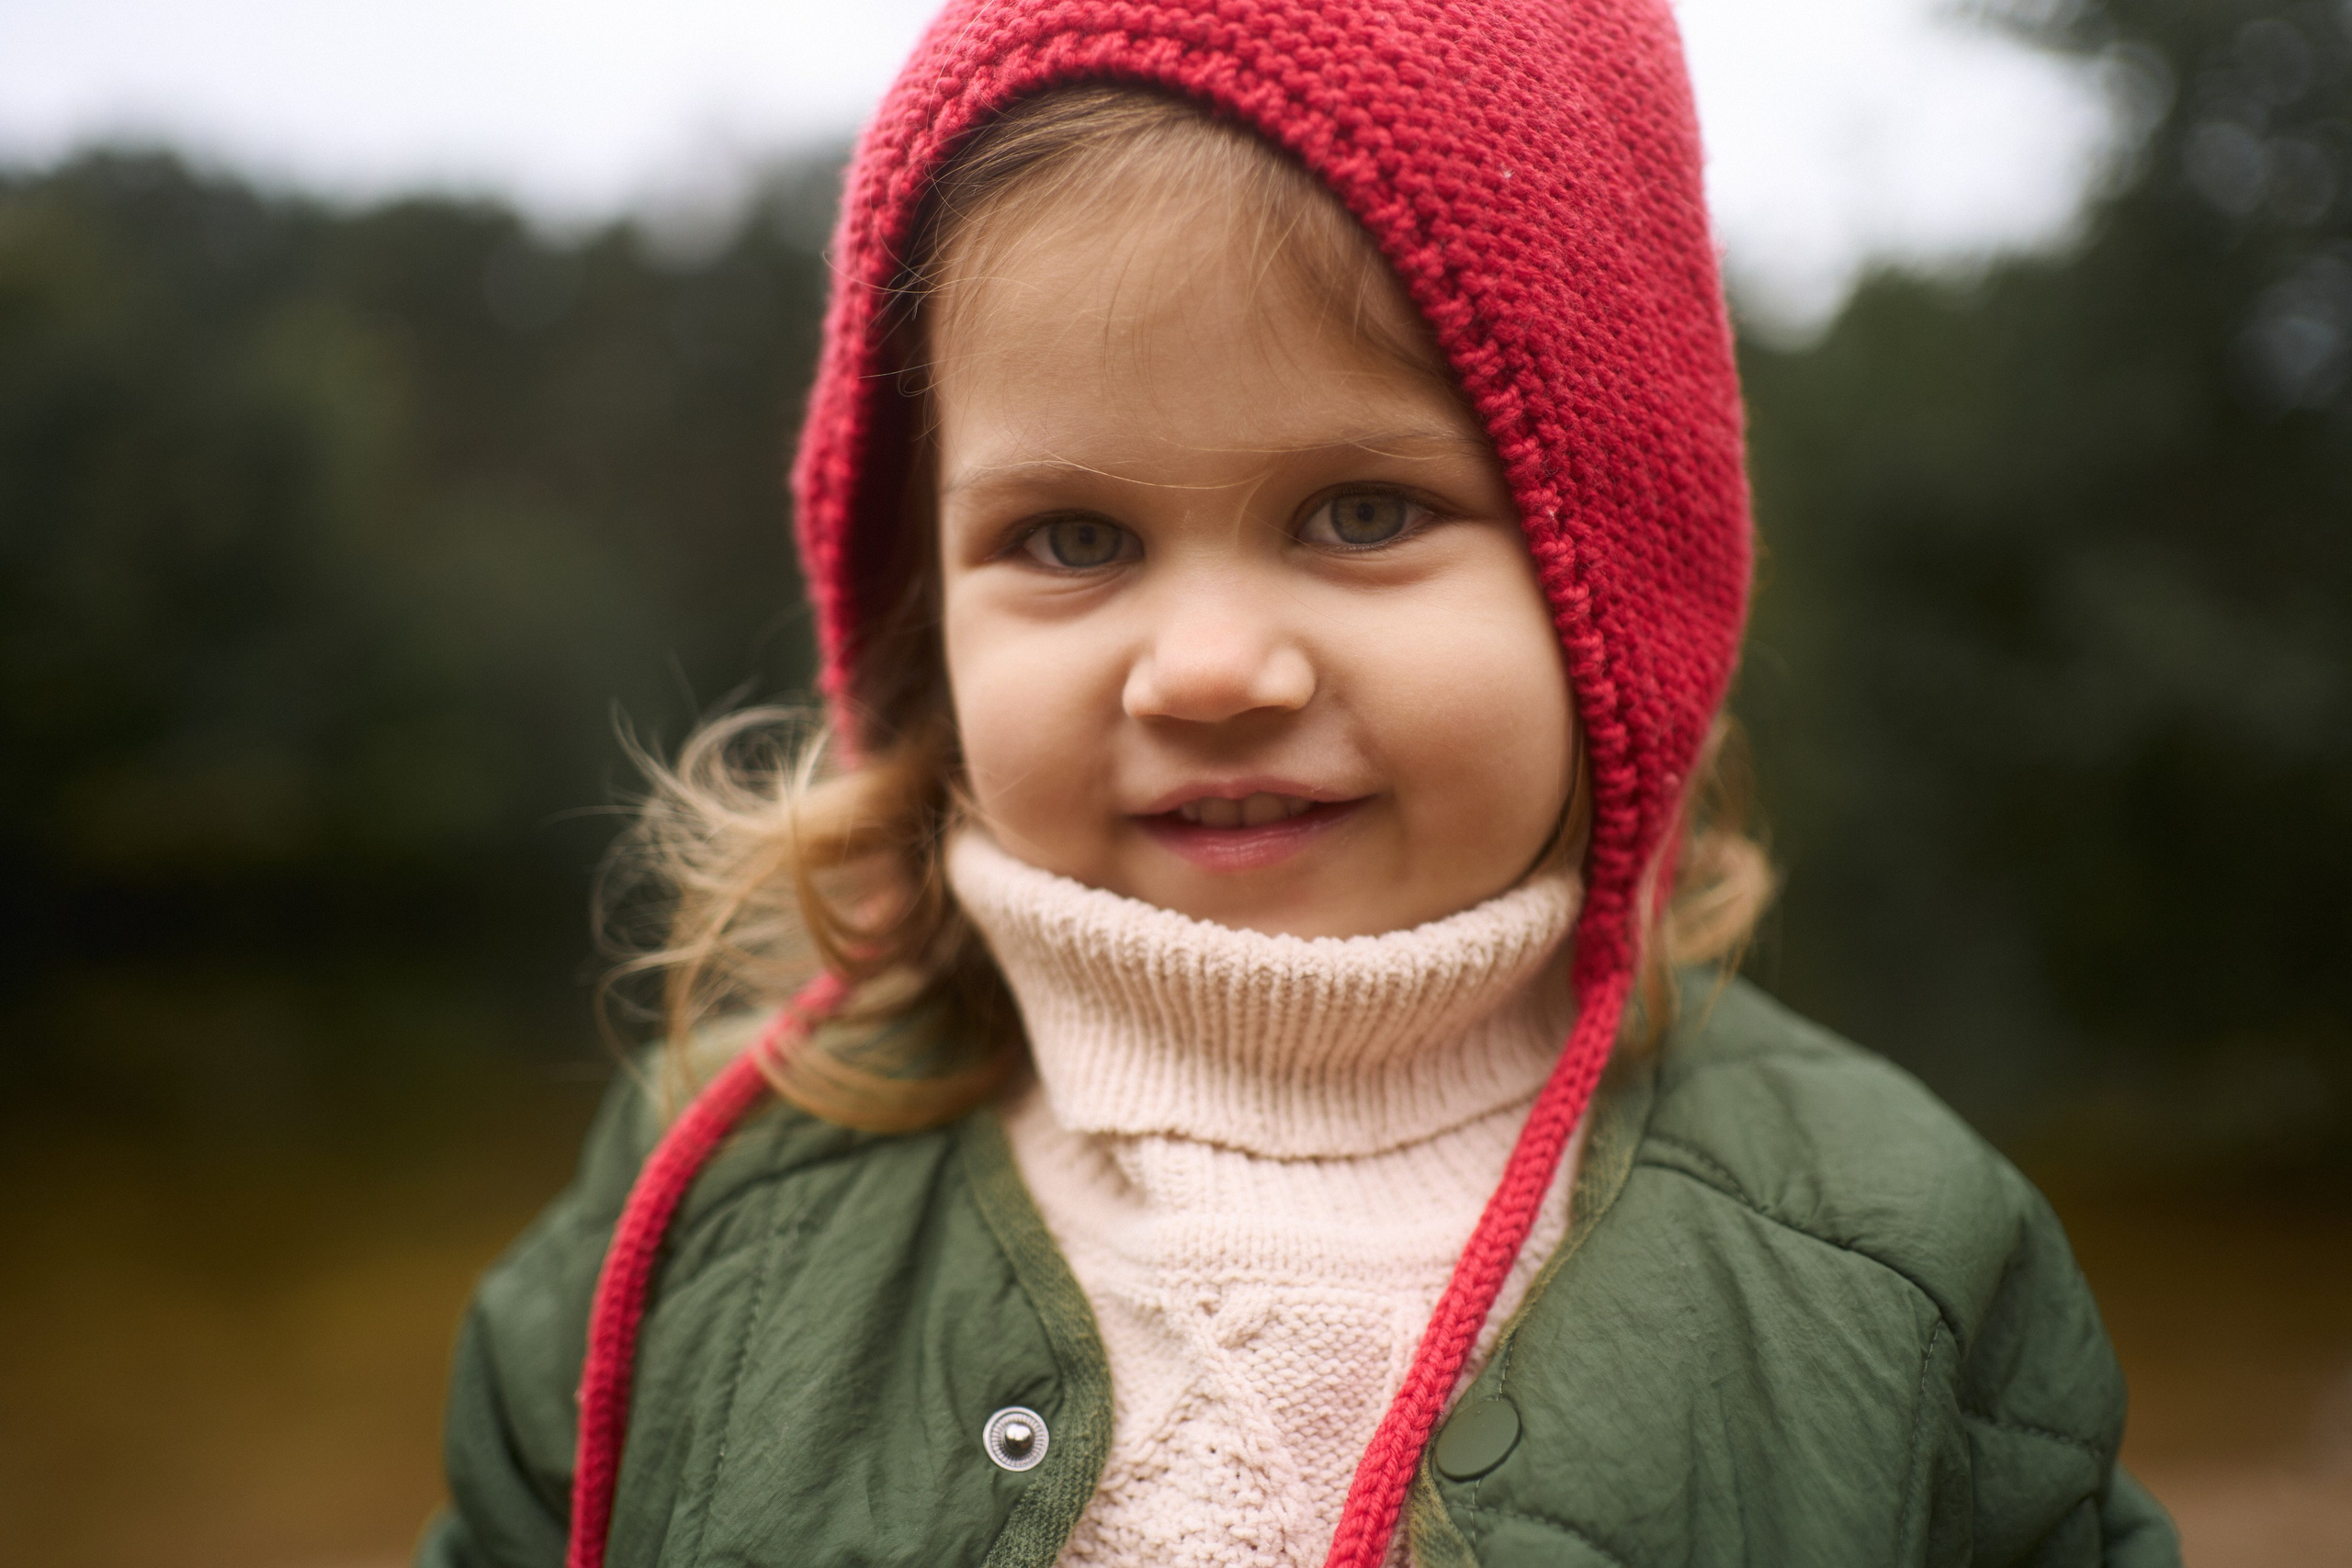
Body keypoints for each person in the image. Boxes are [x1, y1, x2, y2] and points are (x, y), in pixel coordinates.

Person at [420, 2, 2182, 1564]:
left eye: (1360, 512)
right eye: (1071, 536)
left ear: (1606, 577)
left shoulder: (1893, 1261)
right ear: (915, 610)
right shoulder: (700, 1199)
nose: (1207, 671)